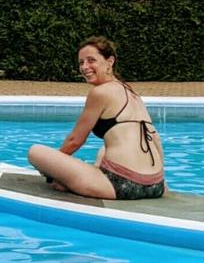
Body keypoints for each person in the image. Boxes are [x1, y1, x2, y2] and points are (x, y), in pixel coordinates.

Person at [28, 36, 165, 200]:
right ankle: (75, 180)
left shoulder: (100, 92)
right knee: (104, 149)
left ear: (110, 62)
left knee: (35, 152)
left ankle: (66, 181)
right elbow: (155, 138)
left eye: (91, 60)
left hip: (121, 184)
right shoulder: (132, 93)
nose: (85, 67)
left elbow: (74, 141)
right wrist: (161, 181)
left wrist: (53, 168)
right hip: (156, 186)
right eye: (81, 62)